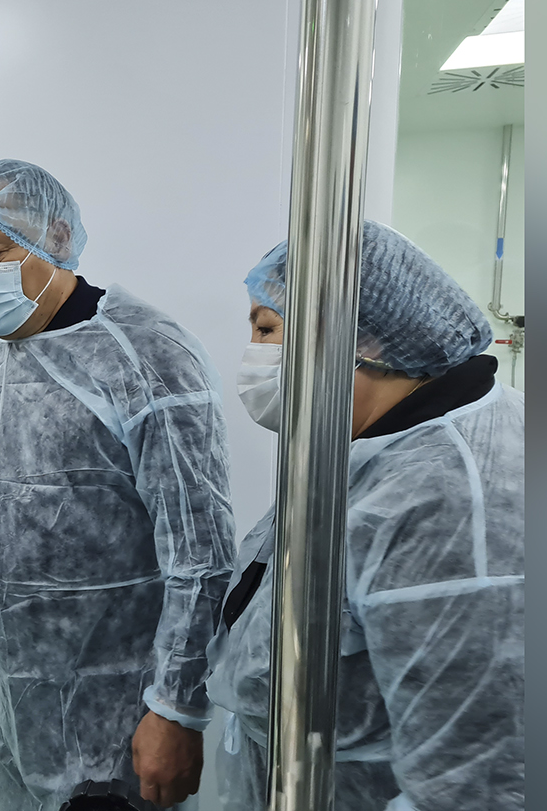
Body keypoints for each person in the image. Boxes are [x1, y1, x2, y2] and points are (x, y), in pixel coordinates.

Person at [0, 160, 237, 811]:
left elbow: (200, 551)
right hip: (6, 697)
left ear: (55, 237)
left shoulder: (147, 354)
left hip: (119, 707)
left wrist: (176, 707)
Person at [209, 221, 524, 811]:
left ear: (364, 341)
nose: (254, 353)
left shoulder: (447, 496)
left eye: (267, 328)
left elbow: (472, 781)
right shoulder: (376, 446)